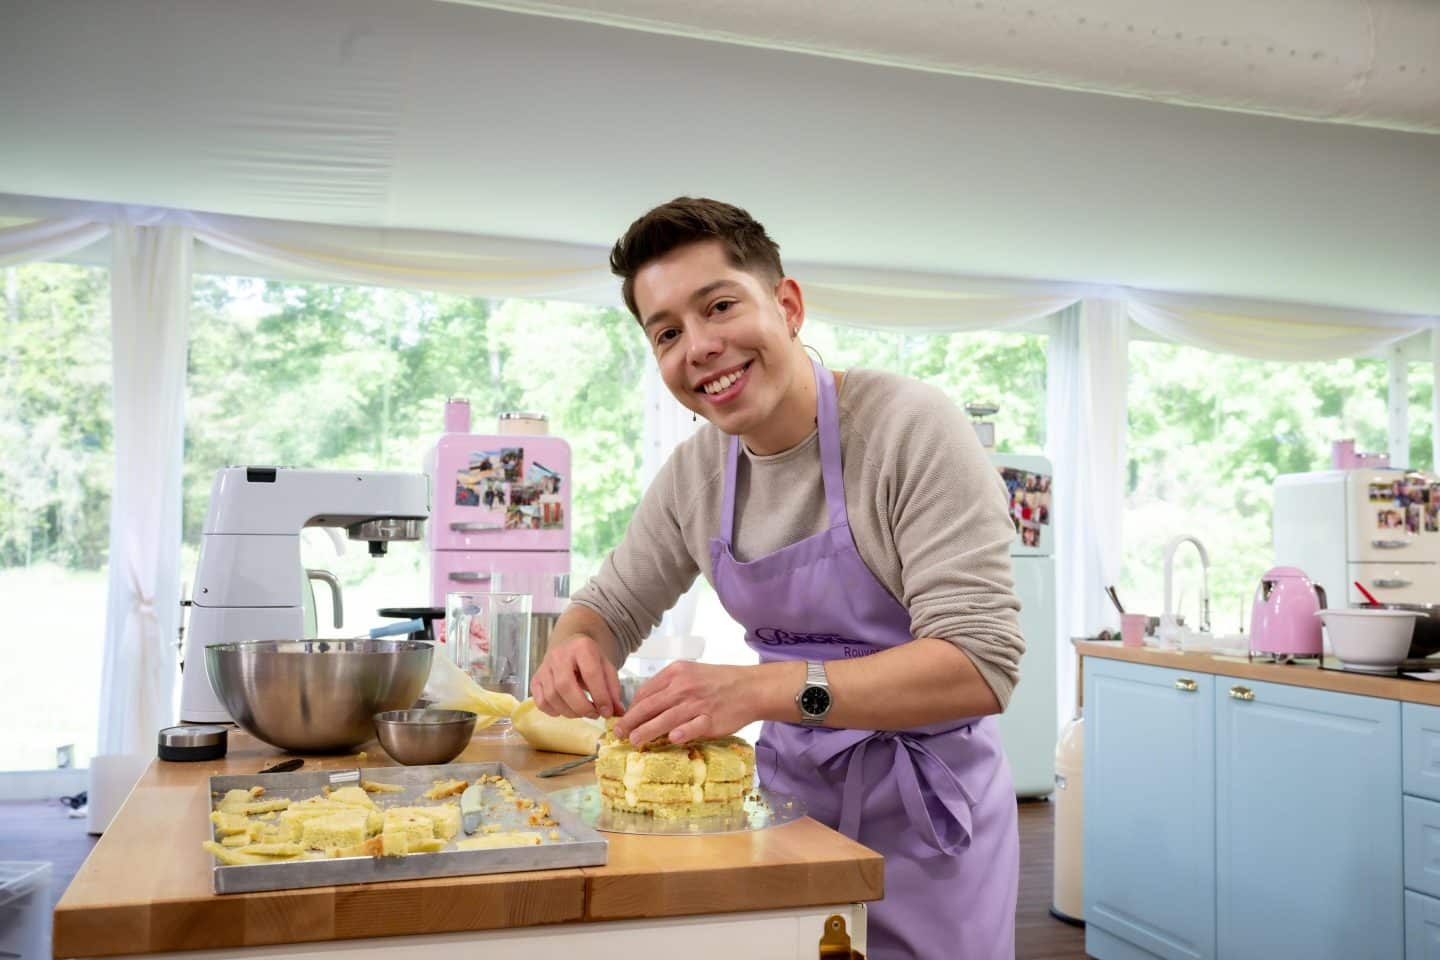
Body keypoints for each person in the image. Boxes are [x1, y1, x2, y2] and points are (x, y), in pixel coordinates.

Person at [529, 197, 1023, 958]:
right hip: (789, 813)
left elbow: (979, 665)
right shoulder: (696, 473)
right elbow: (607, 606)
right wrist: (575, 644)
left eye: (719, 305)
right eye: (666, 333)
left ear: (787, 305)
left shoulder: (909, 430)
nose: (698, 347)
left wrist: (757, 690)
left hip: (930, 823)